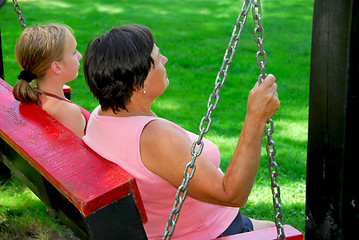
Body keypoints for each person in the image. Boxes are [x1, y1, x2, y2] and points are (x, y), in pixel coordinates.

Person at [83, 24, 279, 239]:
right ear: (137, 85)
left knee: (271, 226)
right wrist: (255, 119)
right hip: (208, 233)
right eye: (157, 60)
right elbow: (231, 194)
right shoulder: (153, 137)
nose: (165, 60)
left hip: (194, 225)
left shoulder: (102, 116)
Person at [13, 23, 90, 137]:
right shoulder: (67, 112)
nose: (80, 56)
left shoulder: (34, 95)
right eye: (74, 52)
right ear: (57, 67)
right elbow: (78, 154)